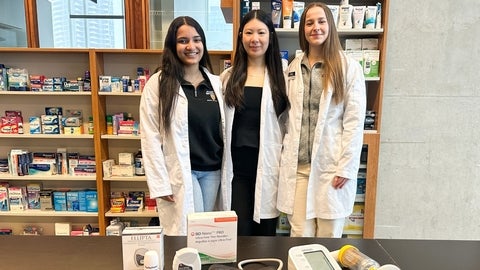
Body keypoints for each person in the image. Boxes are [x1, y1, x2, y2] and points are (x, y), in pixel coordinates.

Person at [277, 2, 366, 238]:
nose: (315, 27)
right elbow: (287, 118)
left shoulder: (348, 67)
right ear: (302, 29)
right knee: (300, 234)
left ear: (330, 25)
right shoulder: (294, 67)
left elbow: (354, 123)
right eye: (309, 23)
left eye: (321, 21)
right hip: (298, 169)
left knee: (328, 234)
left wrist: (346, 168)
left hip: (330, 167)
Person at [140, 16, 227, 236]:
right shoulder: (158, 84)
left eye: (197, 40)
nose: (191, 46)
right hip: (181, 171)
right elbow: (150, 136)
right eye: (183, 41)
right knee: (188, 230)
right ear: (172, 45)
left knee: (207, 231)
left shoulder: (216, 84)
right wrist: (160, 183)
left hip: (213, 170)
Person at [220, 9, 289, 236]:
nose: (255, 39)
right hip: (237, 168)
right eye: (249, 32)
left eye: (261, 32)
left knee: (265, 233)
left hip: (269, 165)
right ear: (241, 36)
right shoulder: (229, 77)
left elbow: (289, 122)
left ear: (270, 35)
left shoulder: (283, 75)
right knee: (239, 232)